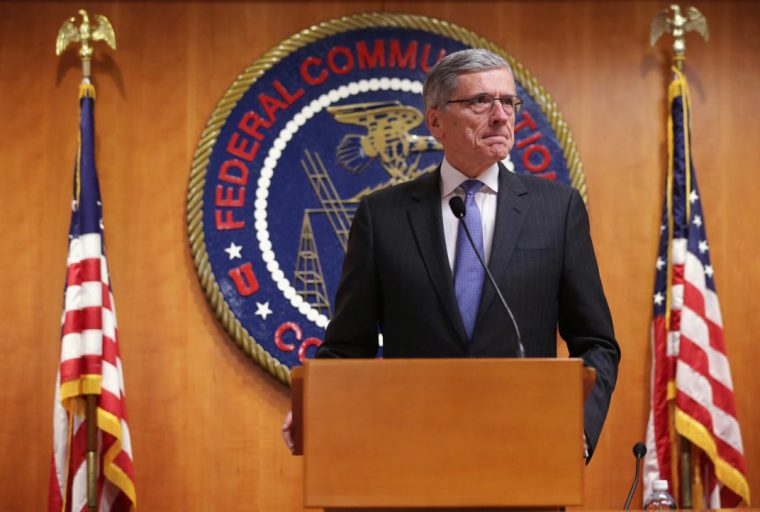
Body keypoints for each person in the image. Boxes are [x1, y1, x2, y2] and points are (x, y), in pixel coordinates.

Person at [282, 48, 620, 461]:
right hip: (412, 453)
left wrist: (578, 426)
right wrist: (314, 406)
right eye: (481, 101)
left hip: (526, 450)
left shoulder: (557, 209)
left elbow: (595, 342)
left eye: (508, 102)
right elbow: (348, 344)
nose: (500, 116)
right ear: (436, 121)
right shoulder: (382, 215)